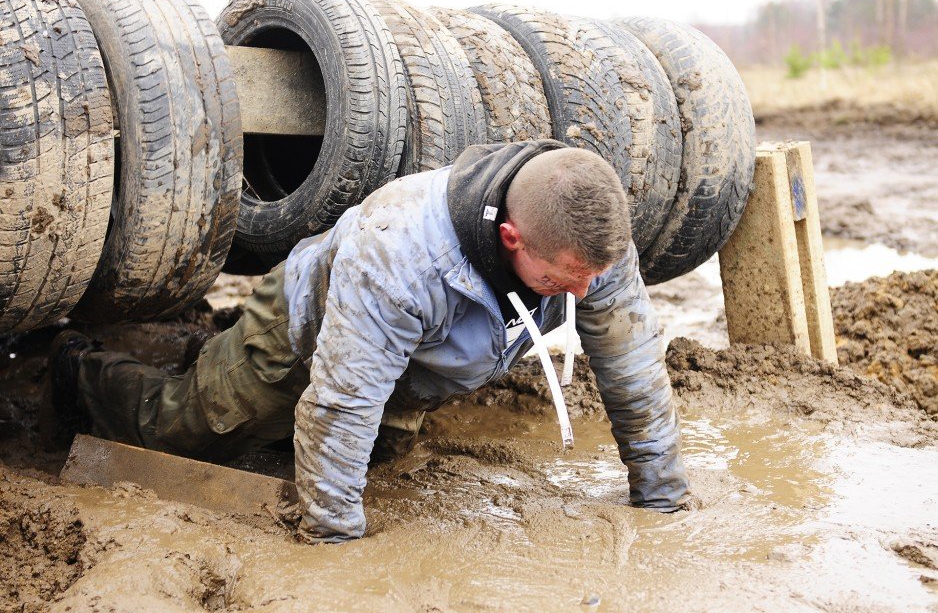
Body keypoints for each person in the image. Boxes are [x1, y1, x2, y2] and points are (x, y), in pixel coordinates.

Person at [46, 139, 692, 542]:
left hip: (411, 359)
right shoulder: (401, 254)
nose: (581, 295)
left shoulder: (591, 242)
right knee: (189, 429)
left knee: (374, 454)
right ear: (512, 239)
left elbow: (631, 365)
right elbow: (341, 401)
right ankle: (80, 365)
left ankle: (203, 352)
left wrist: (661, 494)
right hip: (301, 332)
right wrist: (332, 538)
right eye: (560, 281)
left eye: (592, 279)